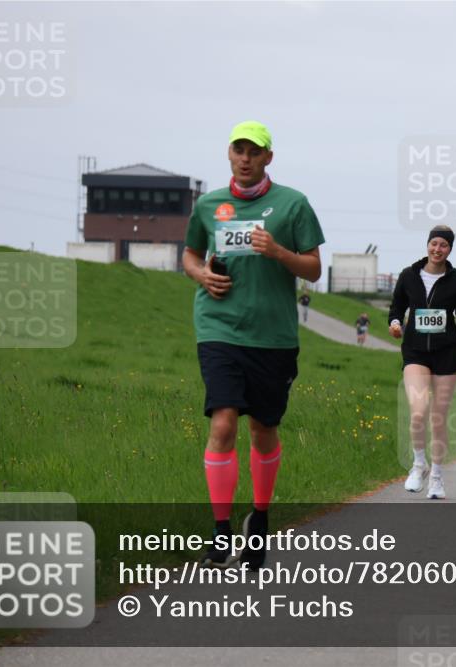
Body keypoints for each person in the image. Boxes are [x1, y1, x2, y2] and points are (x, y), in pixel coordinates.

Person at [182, 120, 324, 570]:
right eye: (238, 150)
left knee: (263, 429)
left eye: (254, 151)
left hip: (273, 336)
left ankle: (259, 520)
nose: (245, 158)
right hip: (219, 327)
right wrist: (201, 274)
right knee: (223, 422)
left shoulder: (292, 204)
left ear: (268, 158)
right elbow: (188, 253)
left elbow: (314, 269)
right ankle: (221, 532)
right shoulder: (208, 206)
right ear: (229, 154)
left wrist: (278, 252)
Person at [388, 225, 456, 500]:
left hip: (446, 355)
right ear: (427, 245)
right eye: (434, 244)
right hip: (415, 351)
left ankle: (437, 477)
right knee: (418, 412)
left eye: (444, 245)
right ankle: (418, 464)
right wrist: (393, 323)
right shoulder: (409, 275)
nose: (437, 249)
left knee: (438, 418)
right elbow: (396, 307)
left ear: (450, 249)